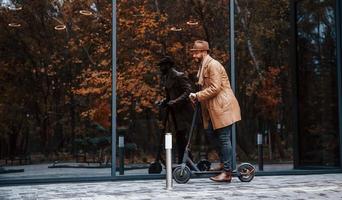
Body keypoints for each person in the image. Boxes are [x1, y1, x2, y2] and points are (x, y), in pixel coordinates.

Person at [189, 40, 241, 182]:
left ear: (204, 52)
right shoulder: (203, 66)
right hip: (213, 109)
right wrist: (197, 97)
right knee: (210, 133)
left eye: (196, 52)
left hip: (223, 107)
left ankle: (227, 172)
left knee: (224, 138)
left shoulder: (213, 65)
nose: (194, 55)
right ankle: (225, 163)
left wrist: (198, 96)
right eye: (193, 52)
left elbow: (215, 88)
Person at [157, 56, 194, 164]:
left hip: (184, 113)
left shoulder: (179, 76)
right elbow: (170, 95)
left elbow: (188, 91)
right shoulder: (167, 77)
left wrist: (176, 101)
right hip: (175, 112)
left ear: (168, 65)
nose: (161, 68)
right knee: (179, 137)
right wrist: (164, 102)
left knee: (183, 137)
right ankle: (185, 161)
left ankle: (186, 161)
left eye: (162, 66)